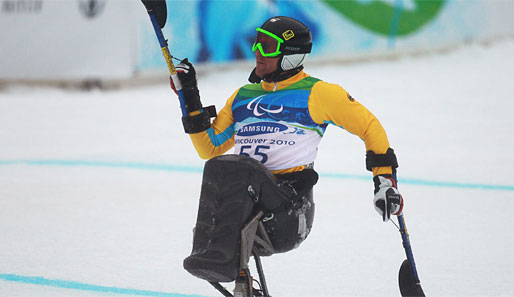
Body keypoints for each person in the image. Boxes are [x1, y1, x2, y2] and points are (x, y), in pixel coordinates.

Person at [170, 16, 404, 283]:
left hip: (288, 212)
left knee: (239, 168)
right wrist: (189, 97)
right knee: (218, 166)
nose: (257, 51)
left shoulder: (318, 93)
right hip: (243, 203)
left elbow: (369, 127)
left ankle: (219, 258)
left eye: (268, 46)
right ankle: (209, 252)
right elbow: (208, 147)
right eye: (257, 43)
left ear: (291, 56)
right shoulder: (243, 96)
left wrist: (384, 182)